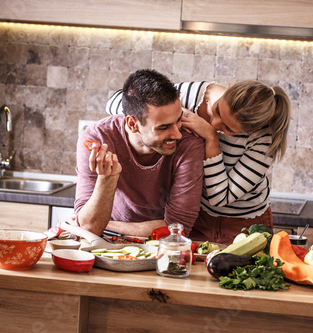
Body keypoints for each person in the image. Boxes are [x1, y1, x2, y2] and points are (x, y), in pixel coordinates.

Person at [106, 80, 290, 244]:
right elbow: (117, 102)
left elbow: (220, 197)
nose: (216, 122)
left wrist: (210, 137)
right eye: (217, 110)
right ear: (231, 87)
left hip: (243, 225)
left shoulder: (264, 137)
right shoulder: (194, 95)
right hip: (196, 218)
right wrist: (176, 115)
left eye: (228, 129)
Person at [75, 70, 205, 237]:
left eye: (178, 120)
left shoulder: (189, 144)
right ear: (132, 124)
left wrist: (107, 225)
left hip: (161, 246)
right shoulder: (97, 140)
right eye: (163, 127)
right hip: (106, 244)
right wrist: (108, 179)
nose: (177, 134)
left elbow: (178, 228)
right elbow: (88, 228)